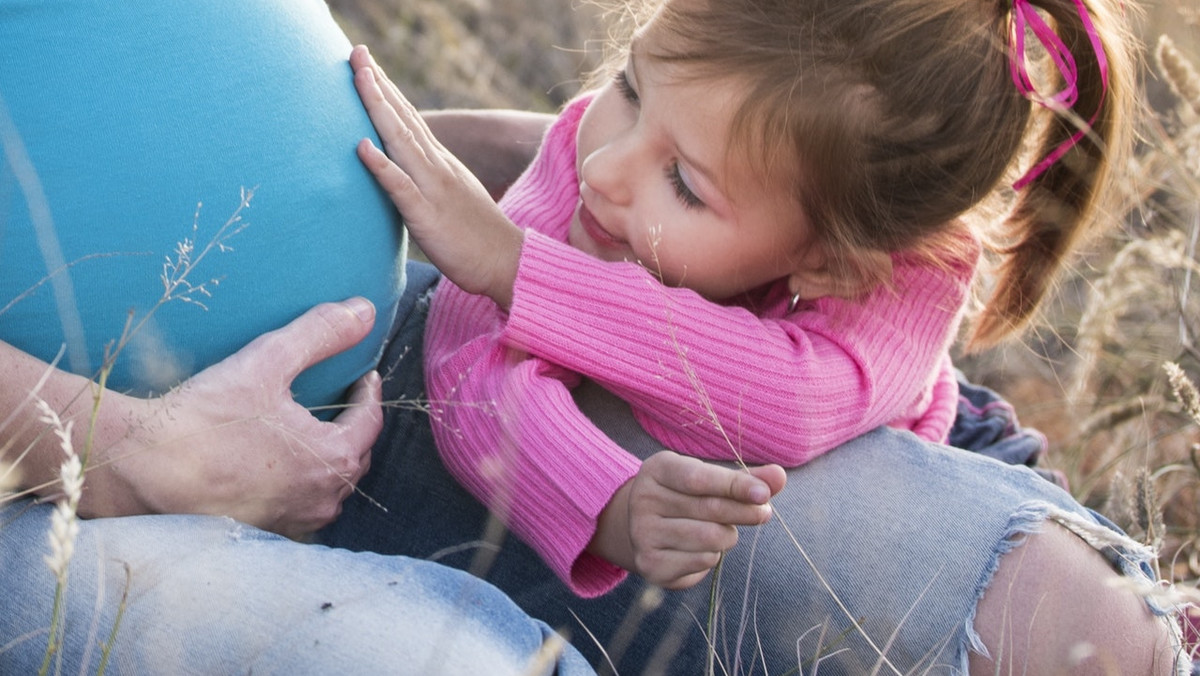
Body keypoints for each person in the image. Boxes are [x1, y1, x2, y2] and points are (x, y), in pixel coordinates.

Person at [0, 4, 1189, 676]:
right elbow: (473, 352)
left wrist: (508, 250)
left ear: (835, 260)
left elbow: (780, 402)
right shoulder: (625, 166)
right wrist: (123, 441)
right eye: (624, 90)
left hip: (691, 455)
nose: (604, 162)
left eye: (680, 174)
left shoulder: (894, 275)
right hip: (91, 483)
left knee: (1073, 632)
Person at [0, 2, 593, 673]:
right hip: (52, 486)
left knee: (716, 570)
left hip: (375, 372)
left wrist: (373, 144)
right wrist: (124, 456)